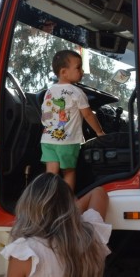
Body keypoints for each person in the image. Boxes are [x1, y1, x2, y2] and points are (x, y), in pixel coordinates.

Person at [1, 172, 111, 277]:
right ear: (70, 205)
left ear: (28, 208)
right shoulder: (92, 237)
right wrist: (68, 214)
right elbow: (99, 192)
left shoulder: (26, 252)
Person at [41, 50, 105, 190]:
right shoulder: (77, 92)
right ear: (64, 72)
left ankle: (48, 200)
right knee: (68, 171)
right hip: (67, 141)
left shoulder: (49, 91)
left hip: (47, 140)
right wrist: (99, 132)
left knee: (51, 173)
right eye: (78, 67)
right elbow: (88, 114)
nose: (81, 71)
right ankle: (67, 200)